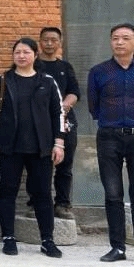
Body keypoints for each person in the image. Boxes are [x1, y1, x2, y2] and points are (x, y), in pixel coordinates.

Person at [88, 23, 134, 267]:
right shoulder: (98, 71)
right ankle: (117, 247)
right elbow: (93, 105)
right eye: (115, 38)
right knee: (113, 194)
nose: (119, 42)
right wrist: (111, 122)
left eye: (125, 38)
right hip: (108, 136)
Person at [0, 38, 66, 257]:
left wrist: (59, 143)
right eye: (17, 52)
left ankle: (47, 240)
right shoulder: (3, 80)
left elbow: (58, 113)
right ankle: (8, 238)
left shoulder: (47, 81)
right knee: (7, 192)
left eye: (26, 52)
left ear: (35, 55)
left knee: (43, 194)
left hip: (41, 148)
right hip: (9, 147)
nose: (21, 56)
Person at [36, 27, 81, 220]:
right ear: (40, 42)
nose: (49, 43)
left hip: (65, 121)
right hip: (39, 122)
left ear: (60, 43)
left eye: (53, 40)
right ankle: (37, 203)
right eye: (45, 40)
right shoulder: (34, 66)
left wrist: (64, 106)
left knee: (65, 165)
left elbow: (75, 92)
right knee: (38, 165)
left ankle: (62, 204)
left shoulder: (65, 67)